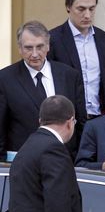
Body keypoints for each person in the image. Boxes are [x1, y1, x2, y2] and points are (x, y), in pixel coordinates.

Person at [0, 20, 86, 161]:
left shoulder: (69, 75)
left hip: (64, 160)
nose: (34, 54)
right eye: (28, 48)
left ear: (48, 46)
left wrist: (78, 159)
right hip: (24, 163)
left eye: (39, 47)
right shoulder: (5, 79)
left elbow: (81, 121)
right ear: (19, 49)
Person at [6, 95, 90, 212]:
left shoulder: (29, 145)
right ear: (70, 122)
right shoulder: (53, 149)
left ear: (40, 121)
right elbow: (59, 206)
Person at [48, 0, 105, 118]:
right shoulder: (53, 40)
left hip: (100, 116)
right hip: (67, 118)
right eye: (81, 9)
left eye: (92, 9)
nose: (87, 15)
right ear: (68, 7)